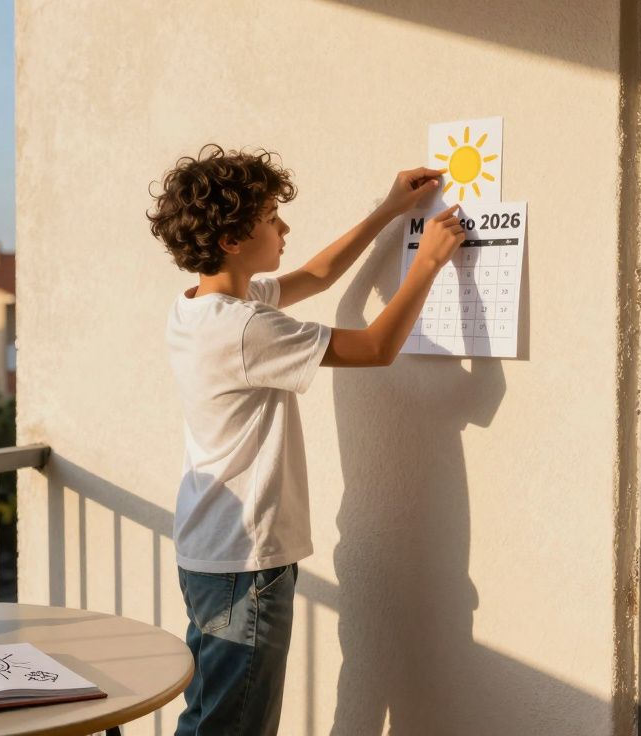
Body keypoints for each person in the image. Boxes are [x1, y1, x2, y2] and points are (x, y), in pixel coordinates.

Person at [149, 144, 465, 735]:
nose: (284, 226)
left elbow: (317, 275)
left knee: (213, 713)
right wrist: (426, 263)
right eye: (271, 217)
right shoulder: (244, 328)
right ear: (232, 241)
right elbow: (374, 349)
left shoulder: (200, 307)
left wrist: (390, 210)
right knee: (235, 724)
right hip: (245, 562)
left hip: (213, 549)